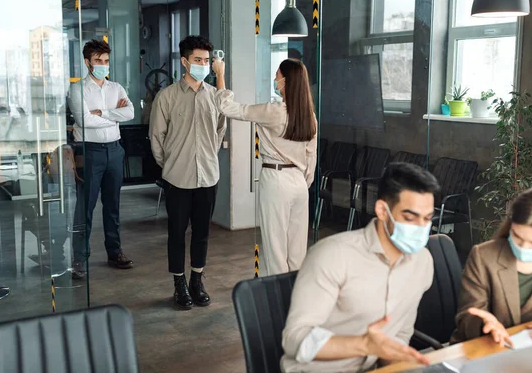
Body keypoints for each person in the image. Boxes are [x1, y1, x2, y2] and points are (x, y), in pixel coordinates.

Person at [280, 162, 439, 372]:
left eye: (427, 219)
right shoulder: (333, 256)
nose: (420, 228)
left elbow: (400, 335)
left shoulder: (422, 262)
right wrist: (364, 345)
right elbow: (294, 339)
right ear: (382, 210)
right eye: (410, 217)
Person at [212, 57, 317, 276]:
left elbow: (227, 107)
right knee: (297, 250)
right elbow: (311, 157)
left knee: (274, 248)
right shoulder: (309, 116)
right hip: (299, 183)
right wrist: (301, 181)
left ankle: (275, 300)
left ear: (286, 81)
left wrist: (220, 75)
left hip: (276, 179)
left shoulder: (274, 111)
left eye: (277, 75)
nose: (274, 79)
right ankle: (294, 300)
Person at [149, 35, 227, 310]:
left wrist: (207, 156)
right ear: (184, 62)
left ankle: (197, 280)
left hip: (208, 175)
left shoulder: (215, 97)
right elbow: (156, 139)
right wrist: (170, 164)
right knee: (176, 233)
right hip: (177, 178)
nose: (203, 65)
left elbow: (220, 131)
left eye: (206, 61)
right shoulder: (167, 96)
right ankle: (179, 283)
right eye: (198, 60)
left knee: (202, 232)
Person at [451, 187, 532, 346]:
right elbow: (466, 316)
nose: (524, 247)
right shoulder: (483, 256)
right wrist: (484, 325)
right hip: (489, 348)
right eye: (517, 236)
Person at [68, 39, 134, 279]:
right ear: (88, 62)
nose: (103, 65)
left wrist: (103, 114)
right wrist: (115, 117)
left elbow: (130, 112)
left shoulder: (116, 88)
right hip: (90, 152)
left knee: (113, 205)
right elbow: (85, 120)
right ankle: (79, 259)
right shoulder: (77, 89)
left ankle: (114, 252)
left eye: (106, 61)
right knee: (85, 207)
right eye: (98, 61)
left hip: (114, 151)